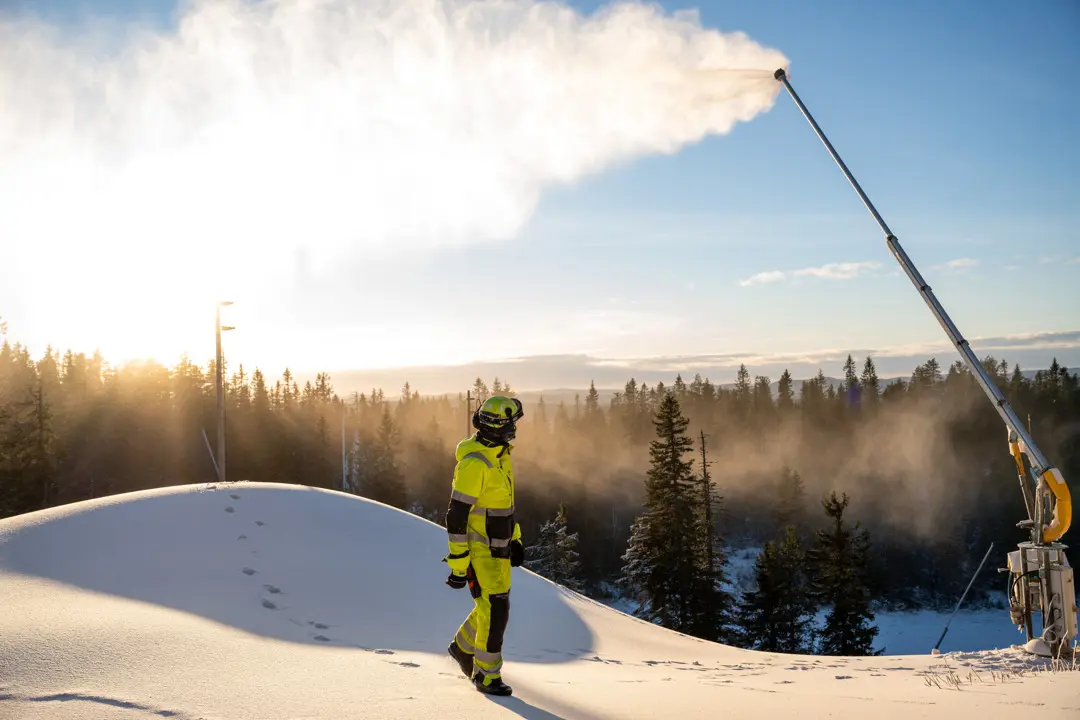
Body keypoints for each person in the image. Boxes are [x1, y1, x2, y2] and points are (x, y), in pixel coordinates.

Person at [443, 395, 525, 696]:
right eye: (511, 423)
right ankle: (487, 676)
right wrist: (458, 563)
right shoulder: (474, 464)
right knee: (497, 609)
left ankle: (463, 648)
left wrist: (515, 540)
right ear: (497, 427)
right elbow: (456, 518)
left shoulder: (500, 457)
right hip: (481, 552)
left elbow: (503, 507)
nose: (514, 429)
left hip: (499, 550)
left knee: (491, 606)